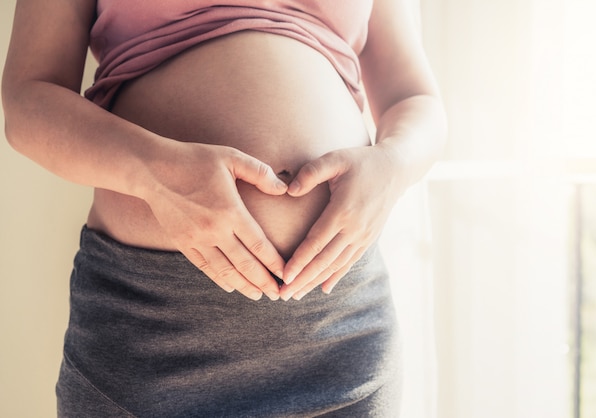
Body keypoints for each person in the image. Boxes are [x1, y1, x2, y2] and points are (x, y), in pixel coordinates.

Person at [2, 0, 446, 416]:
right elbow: (27, 100)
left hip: (339, 332)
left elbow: (414, 98)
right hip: (152, 330)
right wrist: (156, 173)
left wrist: (393, 164)